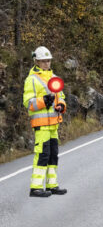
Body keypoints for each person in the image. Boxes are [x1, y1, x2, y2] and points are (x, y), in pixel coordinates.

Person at [23, 46, 67, 197]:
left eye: (48, 61)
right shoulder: (31, 80)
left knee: (53, 155)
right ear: (36, 61)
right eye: (43, 61)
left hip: (54, 124)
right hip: (41, 125)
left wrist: (61, 105)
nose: (46, 64)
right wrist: (44, 101)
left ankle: (52, 185)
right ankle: (35, 188)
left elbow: (61, 96)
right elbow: (28, 103)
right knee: (42, 154)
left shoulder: (54, 78)